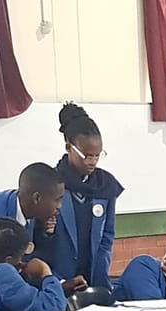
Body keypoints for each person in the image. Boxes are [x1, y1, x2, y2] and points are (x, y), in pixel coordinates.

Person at [46, 102, 122, 294]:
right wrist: (58, 280)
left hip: (95, 278)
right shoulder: (52, 183)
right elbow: (41, 238)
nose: (92, 162)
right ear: (68, 147)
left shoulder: (105, 185)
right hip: (60, 279)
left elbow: (107, 234)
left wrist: (101, 269)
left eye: (97, 156)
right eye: (87, 156)